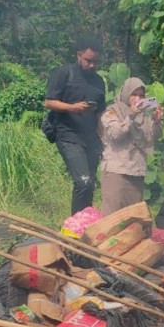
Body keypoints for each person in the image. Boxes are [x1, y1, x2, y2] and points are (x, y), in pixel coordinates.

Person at [44, 36, 107, 215]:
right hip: (68, 135)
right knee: (83, 182)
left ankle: (85, 225)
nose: (92, 65)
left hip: (91, 138)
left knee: (90, 185)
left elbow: (100, 113)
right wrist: (73, 107)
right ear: (79, 55)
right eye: (88, 61)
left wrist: (103, 139)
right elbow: (49, 102)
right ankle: (74, 229)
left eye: (96, 61)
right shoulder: (64, 73)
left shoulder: (98, 81)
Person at [99, 76, 163, 212]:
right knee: (112, 217)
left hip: (136, 172)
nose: (138, 98)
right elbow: (115, 135)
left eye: (141, 95)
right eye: (134, 94)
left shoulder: (144, 115)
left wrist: (157, 121)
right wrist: (131, 116)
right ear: (126, 93)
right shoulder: (112, 111)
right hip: (117, 171)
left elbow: (151, 137)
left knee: (133, 219)